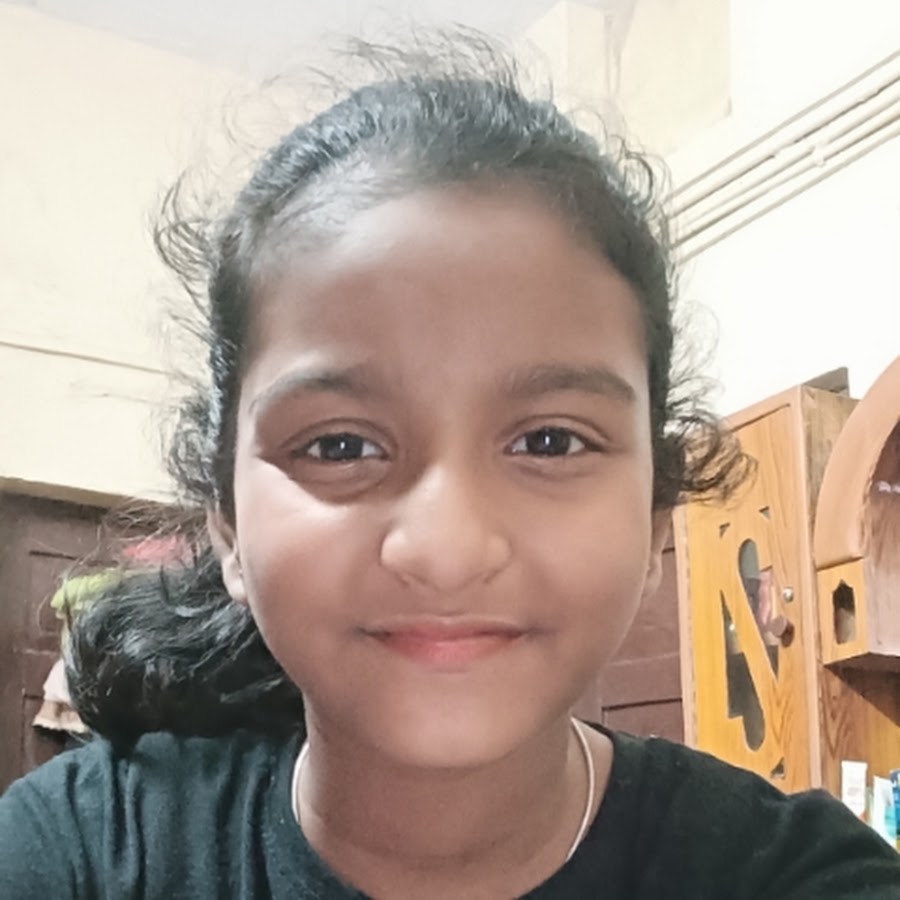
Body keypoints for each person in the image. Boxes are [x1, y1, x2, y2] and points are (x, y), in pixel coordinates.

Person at [1, 32, 897, 900]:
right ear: (228, 527)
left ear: (656, 515)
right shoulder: (80, 853)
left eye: (550, 441)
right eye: (340, 446)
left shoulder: (792, 875)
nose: (446, 550)